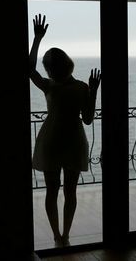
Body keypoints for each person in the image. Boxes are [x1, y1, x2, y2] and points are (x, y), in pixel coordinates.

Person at [29, 14, 101, 247]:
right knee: (71, 191)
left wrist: (37, 39)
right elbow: (88, 119)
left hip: (52, 139)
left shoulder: (49, 86)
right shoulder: (81, 88)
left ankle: (56, 235)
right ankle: (66, 234)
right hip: (73, 140)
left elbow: (29, 70)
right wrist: (94, 90)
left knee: (52, 190)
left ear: (50, 69)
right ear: (68, 63)